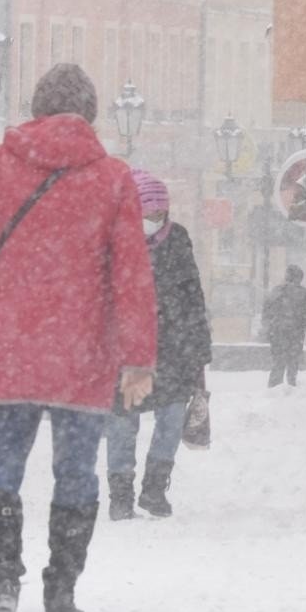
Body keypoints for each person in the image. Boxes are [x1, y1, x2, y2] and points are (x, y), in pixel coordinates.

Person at [0, 63, 158, 612]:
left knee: (0, 470)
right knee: (76, 473)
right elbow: (132, 274)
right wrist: (139, 357)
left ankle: (3, 581)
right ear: (89, 113)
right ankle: (61, 588)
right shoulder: (113, 179)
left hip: (6, 346)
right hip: (82, 351)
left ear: (37, 109)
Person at [105, 170, 212, 521]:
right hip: (129, 349)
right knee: (124, 422)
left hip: (175, 345)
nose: (154, 221)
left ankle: (154, 488)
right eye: (148, 214)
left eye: (159, 214)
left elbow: (192, 292)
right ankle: (120, 495)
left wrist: (199, 346)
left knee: (171, 418)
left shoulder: (177, 238)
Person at [262, 264, 306, 387]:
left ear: (287, 276)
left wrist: (271, 325)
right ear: (299, 278)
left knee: (278, 360)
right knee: (293, 360)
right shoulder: (305, 293)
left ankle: (274, 386)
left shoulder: (275, 291)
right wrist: (303, 321)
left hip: (277, 332)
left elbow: (266, 311)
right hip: (295, 333)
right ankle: (291, 384)